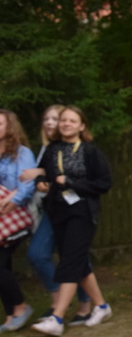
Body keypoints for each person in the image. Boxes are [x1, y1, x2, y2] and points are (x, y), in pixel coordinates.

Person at [27, 106, 114, 337]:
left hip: (82, 212)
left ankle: (57, 317)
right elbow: (45, 173)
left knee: (69, 261)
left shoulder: (90, 152)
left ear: (81, 126)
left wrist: (72, 183)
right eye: (63, 120)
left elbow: (104, 183)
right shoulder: (52, 149)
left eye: (72, 121)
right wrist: (41, 181)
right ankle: (102, 306)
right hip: (58, 211)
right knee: (78, 261)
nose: (66, 124)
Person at [24, 105, 66, 307]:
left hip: (69, 208)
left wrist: (39, 173)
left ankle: (88, 305)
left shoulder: (69, 147)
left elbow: (65, 174)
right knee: (38, 254)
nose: (49, 123)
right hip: (49, 208)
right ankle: (57, 301)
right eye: (46, 119)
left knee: (74, 258)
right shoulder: (46, 147)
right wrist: (41, 179)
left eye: (54, 119)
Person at [0, 110, 37, 333]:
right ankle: (11, 315)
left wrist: (12, 201)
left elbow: (27, 184)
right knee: (4, 265)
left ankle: (21, 306)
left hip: (17, 216)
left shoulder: (21, 153)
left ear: (10, 127)